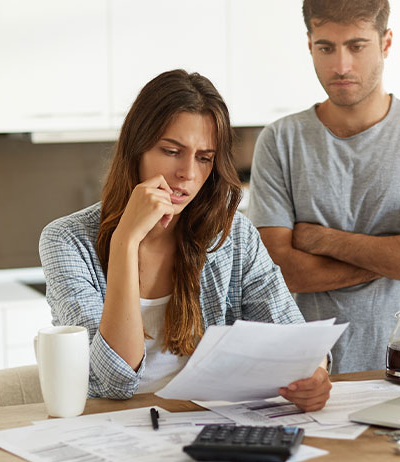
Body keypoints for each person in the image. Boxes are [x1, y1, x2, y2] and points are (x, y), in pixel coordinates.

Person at [39, 70, 331, 411]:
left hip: (207, 426)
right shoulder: (67, 241)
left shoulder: (234, 235)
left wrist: (314, 375)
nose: (188, 174)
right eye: (172, 151)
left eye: (204, 158)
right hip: (112, 427)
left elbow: (294, 340)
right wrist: (125, 242)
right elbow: (113, 381)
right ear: (136, 148)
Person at [247, 0, 400, 374]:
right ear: (309, 45)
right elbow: (282, 272)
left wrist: (323, 240)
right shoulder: (280, 140)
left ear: (385, 43)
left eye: (356, 46)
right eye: (325, 47)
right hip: (310, 375)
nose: (341, 66)